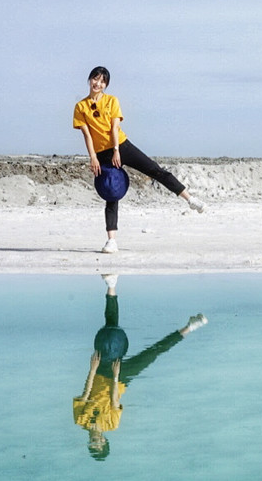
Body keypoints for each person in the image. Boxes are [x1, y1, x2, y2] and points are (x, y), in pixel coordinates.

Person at [73, 274, 208, 460]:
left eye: (92, 446)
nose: (94, 442)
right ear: (104, 441)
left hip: (100, 371)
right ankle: (190, 327)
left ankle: (111, 284)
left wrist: (93, 368)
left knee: (111, 327)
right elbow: (114, 400)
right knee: (153, 353)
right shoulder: (111, 424)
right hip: (119, 379)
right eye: (98, 445)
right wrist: (116, 375)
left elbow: (86, 392)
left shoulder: (80, 420)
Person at [73, 66, 205, 254]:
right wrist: (93, 157)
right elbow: (87, 135)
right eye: (95, 79)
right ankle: (111, 241)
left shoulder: (111, 101)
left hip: (122, 146)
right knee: (112, 193)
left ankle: (190, 200)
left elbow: (114, 127)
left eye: (103, 81)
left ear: (106, 85)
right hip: (101, 154)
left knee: (155, 170)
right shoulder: (81, 106)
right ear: (89, 80)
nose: (98, 83)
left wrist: (117, 150)